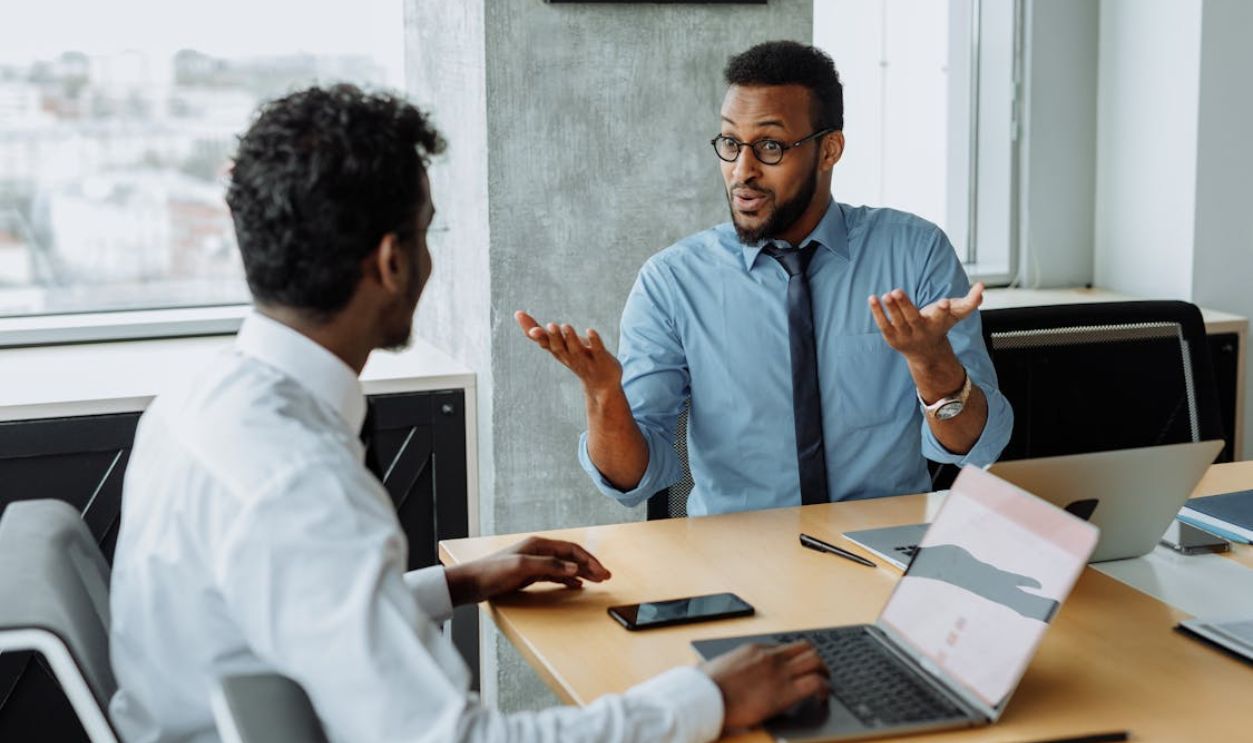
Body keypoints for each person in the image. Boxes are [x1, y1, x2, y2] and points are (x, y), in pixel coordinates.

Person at [107, 84, 828, 743]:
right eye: (427, 231)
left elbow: (287, 608)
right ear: (392, 261)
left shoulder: (198, 399)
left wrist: (457, 581)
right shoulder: (301, 479)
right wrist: (703, 697)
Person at [518, 41, 1012, 516]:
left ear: (829, 150)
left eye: (771, 146)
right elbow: (631, 480)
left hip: (883, 557)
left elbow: (976, 445)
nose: (741, 171)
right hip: (737, 561)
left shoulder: (914, 252)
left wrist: (932, 365)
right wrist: (604, 396)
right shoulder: (673, 283)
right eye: (731, 143)